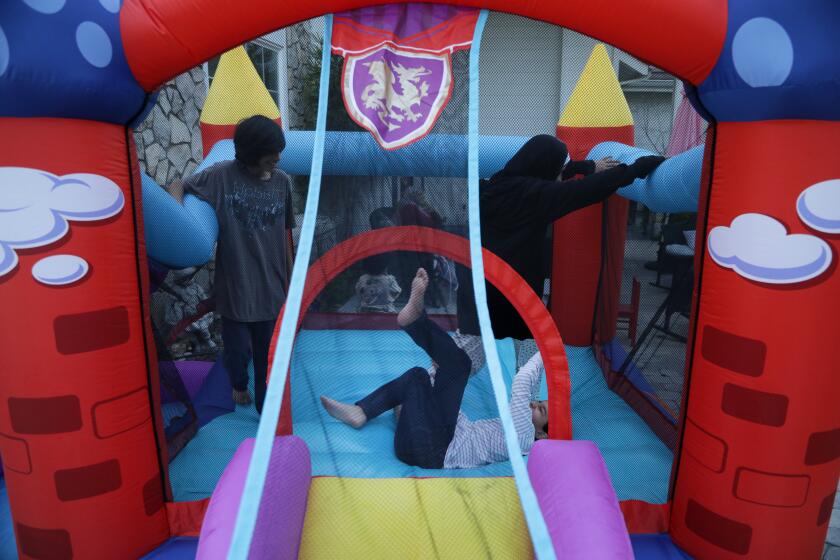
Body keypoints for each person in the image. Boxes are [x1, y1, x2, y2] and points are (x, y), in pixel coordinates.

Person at [320, 268, 547, 469]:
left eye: (541, 409)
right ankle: (362, 412)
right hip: (417, 443)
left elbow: (522, 383)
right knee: (420, 376)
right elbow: (462, 431)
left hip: (435, 448)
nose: (534, 403)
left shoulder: (525, 435)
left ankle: (415, 322)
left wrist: (547, 351)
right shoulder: (507, 432)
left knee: (459, 366)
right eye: (540, 402)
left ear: (542, 435)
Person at [456, 134, 666, 340]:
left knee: (478, 355)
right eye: (558, 172)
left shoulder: (496, 183)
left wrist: (587, 167)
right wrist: (638, 167)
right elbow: (589, 189)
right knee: (511, 357)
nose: (559, 177)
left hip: (474, 290)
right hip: (510, 297)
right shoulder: (537, 197)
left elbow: (546, 173)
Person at [165, 115, 295, 413]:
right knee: (236, 352)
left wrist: (290, 281)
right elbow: (177, 184)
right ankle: (238, 384)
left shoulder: (282, 182)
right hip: (235, 286)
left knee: (267, 356)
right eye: (270, 153)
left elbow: (284, 236)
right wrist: (178, 219)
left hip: (272, 288)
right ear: (250, 153)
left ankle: (267, 411)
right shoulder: (222, 176)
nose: (278, 158)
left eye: (279, 151)